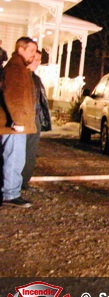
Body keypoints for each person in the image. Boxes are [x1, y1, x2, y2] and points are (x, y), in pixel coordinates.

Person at [1, 37, 39, 207]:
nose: (34, 55)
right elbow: (13, 96)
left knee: (15, 158)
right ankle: (10, 194)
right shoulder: (16, 68)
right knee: (14, 158)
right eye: (31, 51)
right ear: (20, 50)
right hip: (15, 126)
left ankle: (11, 191)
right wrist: (17, 120)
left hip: (17, 124)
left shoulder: (20, 68)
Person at [21, 50, 52, 191]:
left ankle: (24, 181)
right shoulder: (20, 75)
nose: (38, 62)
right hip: (23, 118)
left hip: (35, 117)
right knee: (18, 152)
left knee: (30, 152)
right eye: (36, 59)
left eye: (40, 59)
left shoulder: (35, 78)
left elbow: (40, 99)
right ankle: (13, 184)